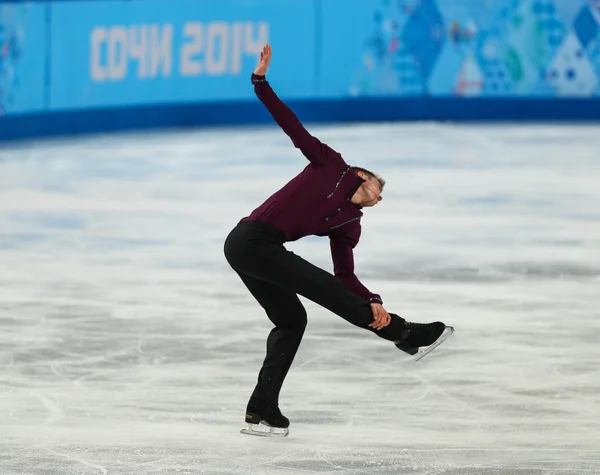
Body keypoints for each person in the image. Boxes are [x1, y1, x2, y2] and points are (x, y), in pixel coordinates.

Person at [224, 44, 452, 437]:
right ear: (362, 174)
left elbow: (344, 276)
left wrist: (372, 301)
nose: (380, 196)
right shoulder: (330, 164)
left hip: (263, 250)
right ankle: (404, 334)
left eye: (382, 197)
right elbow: (291, 125)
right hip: (248, 239)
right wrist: (260, 82)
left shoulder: (349, 223)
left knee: (292, 319)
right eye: (378, 187)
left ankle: (262, 407)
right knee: (319, 290)